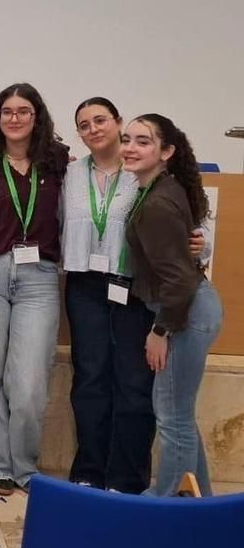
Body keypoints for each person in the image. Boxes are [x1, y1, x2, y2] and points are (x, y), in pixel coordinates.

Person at [62, 98, 208, 493]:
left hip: (133, 288)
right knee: (90, 380)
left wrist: (201, 244)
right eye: (84, 124)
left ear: (117, 123)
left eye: (101, 120)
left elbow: (191, 229)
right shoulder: (70, 173)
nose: (93, 129)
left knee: (132, 384)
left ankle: (125, 480)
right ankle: (89, 472)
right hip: (85, 285)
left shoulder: (143, 172)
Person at [0, 83, 68, 495]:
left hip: (39, 278)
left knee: (28, 382)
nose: (15, 118)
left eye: (24, 111)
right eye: (7, 111)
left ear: (37, 117)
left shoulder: (59, 162)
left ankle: (25, 466)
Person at [121, 113, 222, 496]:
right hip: (191, 309)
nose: (130, 148)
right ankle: (202, 503)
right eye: (127, 139)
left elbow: (178, 279)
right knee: (180, 417)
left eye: (143, 141)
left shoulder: (157, 204)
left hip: (185, 315)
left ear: (166, 152)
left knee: (172, 418)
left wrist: (160, 330)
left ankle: (163, 507)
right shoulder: (160, 188)